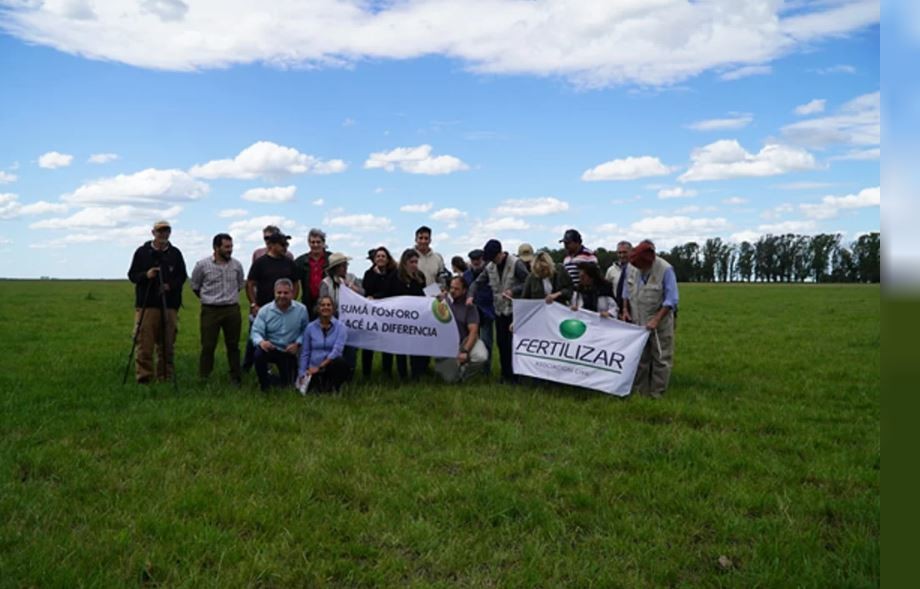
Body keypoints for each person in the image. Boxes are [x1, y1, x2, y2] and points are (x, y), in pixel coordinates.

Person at [127, 219, 188, 383]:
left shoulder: (175, 253)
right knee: (144, 343)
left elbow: (182, 276)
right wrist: (146, 275)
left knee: (167, 344)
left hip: (169, 305)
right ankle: (144, 377)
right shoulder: (142, 252)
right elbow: (132, 275)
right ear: (153, 233)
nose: (163, 234)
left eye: (166, 231)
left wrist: (170, 286)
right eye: (160, 231)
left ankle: (165, 376)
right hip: (147, 305)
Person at [622, 241, 679, 398]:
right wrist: (625, 310)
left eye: (641, 266)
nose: (638, 269)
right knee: (640, 359)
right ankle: (640, 392)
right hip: (637, 322)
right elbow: (626, 291)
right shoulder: (631, 267)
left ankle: (657, 394)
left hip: (659, 323)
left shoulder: (665, 270)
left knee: (661, 358)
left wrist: (656, 319)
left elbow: (671, 300)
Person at [468, 239, 529, 384]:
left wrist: (514, 291)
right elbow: (477, 282)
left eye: (493, 257)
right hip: (499, 310)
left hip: (515, 311)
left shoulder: (516, 263)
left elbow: (528, 281)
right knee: (501, 343)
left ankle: (517, 376)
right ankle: (505, 374)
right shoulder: (490, 266)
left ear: (500, 253)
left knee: (513, 344)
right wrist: (470, 295)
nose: (492, 261)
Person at [189, 233, 245, 385]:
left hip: (232, 309)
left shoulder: (236, 265)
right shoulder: (202, 265)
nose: (230, 250)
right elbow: (195, 286)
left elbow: (240, 285)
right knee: (208, 346)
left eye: (231, 246)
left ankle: (236, 377)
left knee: (233, 345)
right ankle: (204, 377)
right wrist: (208, 299)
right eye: (226, 247)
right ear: (216, 247)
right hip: (210, 310)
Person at [244, 231, 300, 371]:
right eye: (282, 245)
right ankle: (247, 368)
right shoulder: (260, 263)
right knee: (255, 340)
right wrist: (253, 304)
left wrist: (291, 301)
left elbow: (296, 283)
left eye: (286, 244)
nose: (285, 248)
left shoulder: (289, 263)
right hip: (263, 310)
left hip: (284, 310)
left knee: (282, 339)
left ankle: (285, 366)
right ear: (272, 245)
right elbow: (250, 283)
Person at [250, 278, 308, 392]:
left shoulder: (301, 310)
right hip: (271, 348)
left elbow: (305, 331)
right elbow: (255, 331)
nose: (282, 296)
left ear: (292, 293)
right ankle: (264, 385)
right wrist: (262, 342)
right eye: (279, 293)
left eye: (286, 293)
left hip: (289, 351)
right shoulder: (265, 311)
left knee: (289, 384)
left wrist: (298, 344)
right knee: (258, 354)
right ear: (274, 293)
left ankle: (276, 379)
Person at [434, 276, 488, 382]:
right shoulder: (442, 301)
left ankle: (464, 374)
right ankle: (454, 371)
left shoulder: (470, 306)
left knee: (481, 356)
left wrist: (465, 351)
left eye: (457, 289)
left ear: (464, 290)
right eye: (451, 288)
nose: (453, 291)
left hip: (465, 340)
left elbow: (473, 331)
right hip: (446, 343)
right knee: (450, 380)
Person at [386, 248, 429, 380]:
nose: (415, 265)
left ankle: (417, 373)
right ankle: (402, 375)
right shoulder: (394, 277)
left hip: (416, 319)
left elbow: (426, 295)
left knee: (416, 347)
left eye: (416, 262)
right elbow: (388, 295)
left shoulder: (420, 277)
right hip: (400, 319)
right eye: (412, 262)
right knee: (401, 349)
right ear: (405, 262)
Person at [319, 252, 363, 374]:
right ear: (334, 268)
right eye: (342, 266)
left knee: (351, 350)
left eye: (345, 265)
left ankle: (350, 375)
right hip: (333, 322)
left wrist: (352, 288)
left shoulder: (352, 278)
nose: (345, 268)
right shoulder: (326, 283)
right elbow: (323, 303)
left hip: (351, 322)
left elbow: (363, 296)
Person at [297, 295, 350, 393]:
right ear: (318, 308)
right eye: (322, 305)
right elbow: (305, 352)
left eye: (328, 305)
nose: (325, 307)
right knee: (314, 391)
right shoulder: (310, 328)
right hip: (313, 368)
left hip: (330, 367)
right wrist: (302, 373)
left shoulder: (341, 327)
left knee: (340, 362)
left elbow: (337, 351)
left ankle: (335, 388)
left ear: (333, 308)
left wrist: (320, 367)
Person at [361, 246, 397, 378]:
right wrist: (376, 276)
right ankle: (366, 373)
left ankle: (387, 372)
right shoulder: (368, 273)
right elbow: (367, 289)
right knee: (368, 343)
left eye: (383, 256)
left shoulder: (393, 273)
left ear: (388, 259)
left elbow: (389, 290)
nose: (380, 258)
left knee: (387, 343)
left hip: (388, 313)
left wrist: (376, 295)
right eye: (378, 256)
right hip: (372, 313)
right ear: (374, 259)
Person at [463, 249, 495, 372]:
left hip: (487, 310)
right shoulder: (466, 275)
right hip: (471, 312)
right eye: (473, 260)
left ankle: (486, 370)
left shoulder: (490, 272)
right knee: (470, 341)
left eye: (478, 259)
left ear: (483, 259)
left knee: (487, 341)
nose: (476, 262)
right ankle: (471, 367)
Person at [294, 228, 331, 320]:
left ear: (323, 243)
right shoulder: (300, 261)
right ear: (309, 243)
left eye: (318, 242)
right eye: (312, 242)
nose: (315, 245)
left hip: (328, 301)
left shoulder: (331, 259)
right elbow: (293, 281)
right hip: (308, 302)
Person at [605, 240, 633, 311]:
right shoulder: (611, 270)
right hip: (615, 309)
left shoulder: (637, 270)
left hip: (633, 310)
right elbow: (607, 291)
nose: (622, 255)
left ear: (631, 252)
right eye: (619, 253)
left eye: (625, 252)